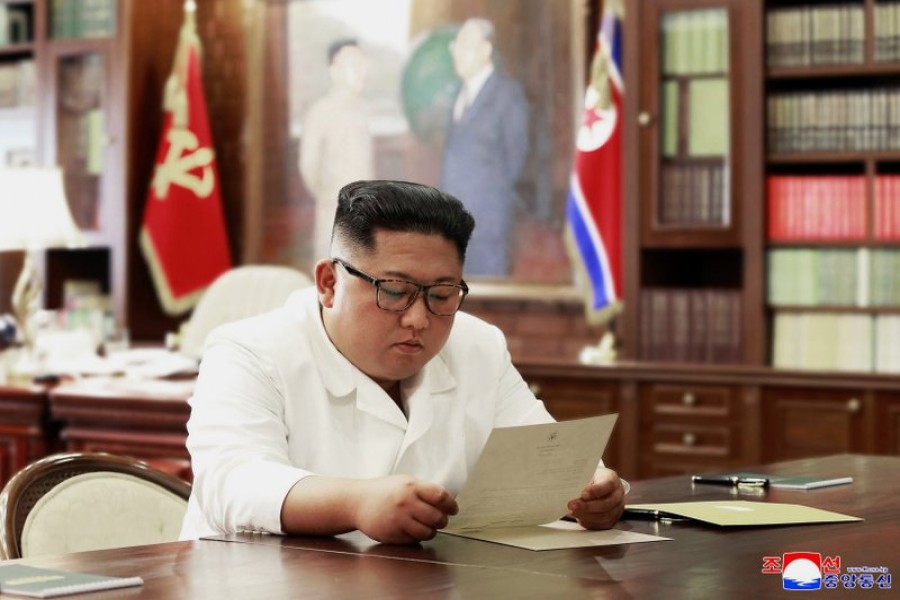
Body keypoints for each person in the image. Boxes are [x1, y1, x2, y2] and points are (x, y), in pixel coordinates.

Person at [179, 180, 626, 544]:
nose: (418, 318)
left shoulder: (478, 345)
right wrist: (356, 503)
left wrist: (590, 486)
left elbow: (542, 454)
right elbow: (234, 484)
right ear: (330, 282)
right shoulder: (247, 350)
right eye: (393, 291)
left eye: (442, 295)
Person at [440, 18, 529, 277]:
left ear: (486, 50)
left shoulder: (507, 95)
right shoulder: (459, 94)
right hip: (454, 225)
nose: (456, 51)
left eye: (464, 44)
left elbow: (516, 158)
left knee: (487, 306)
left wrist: (489, 198)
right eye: (455, 44)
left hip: (487, 227)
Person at [299, 38, 374, 262]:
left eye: (363, 64)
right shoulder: (321, 111)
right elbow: (308, 167)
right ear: (334, 71)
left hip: (366, 212)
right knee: (332, 280)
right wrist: (330, 196)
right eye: (353, 65)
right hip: (335, 213)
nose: (361, 71)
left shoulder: (363, 109)